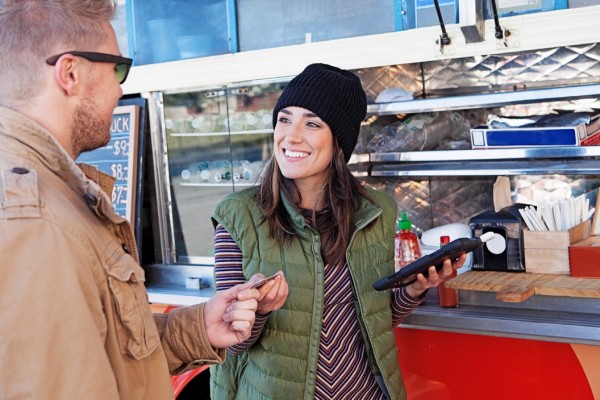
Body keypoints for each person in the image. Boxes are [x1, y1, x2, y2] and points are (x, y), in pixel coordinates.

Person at [0, 1, 267, 399]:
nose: (121, 88)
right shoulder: (33, 220)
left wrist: (200, 327)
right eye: (118, 68)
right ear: (70, 73)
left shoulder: (53, 196)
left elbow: (109, 352)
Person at [209, 63, 467, 399]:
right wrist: (257, 311)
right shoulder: (238, 215)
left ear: (339, 140)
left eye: (312, 123)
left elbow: (376, 320)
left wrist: (415, 291)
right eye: (284, 119)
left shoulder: (376, 212)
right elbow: (231, 343)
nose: (292, 136)